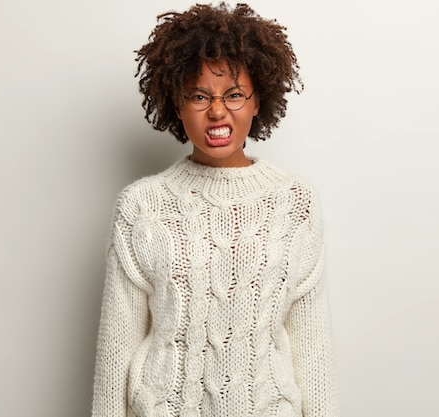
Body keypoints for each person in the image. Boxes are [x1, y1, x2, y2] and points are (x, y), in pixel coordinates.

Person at [92, 3, 340, 417]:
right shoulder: (142, 206)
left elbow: (313, 352)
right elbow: (116, 351)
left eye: (235, 94)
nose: (218, 111)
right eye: (200, 95)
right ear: (176, 101)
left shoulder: (296, 202)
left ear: (258, 100)